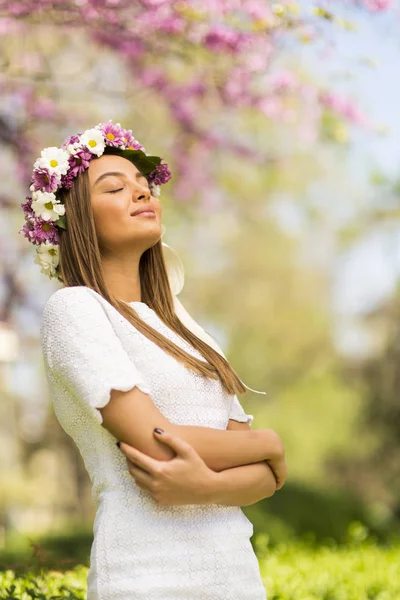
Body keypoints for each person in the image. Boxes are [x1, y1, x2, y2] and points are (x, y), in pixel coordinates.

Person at [20, 120, 287, 599]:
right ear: (76, 217)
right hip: (145, 574)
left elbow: (264, 480)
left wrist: (204, 486)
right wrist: (269, 442)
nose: (142, 195)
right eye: (116, 188)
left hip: (236, 577)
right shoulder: (76, 310)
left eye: (145, 187)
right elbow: (158, 443)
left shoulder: (190, 332)